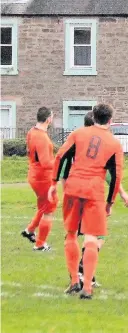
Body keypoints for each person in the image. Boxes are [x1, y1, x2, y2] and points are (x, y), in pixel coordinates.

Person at [49, 104, 124, 299]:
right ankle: (87, 288)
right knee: (91, 238)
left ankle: (74, 280)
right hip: (95, 192)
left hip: (73, 188)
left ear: (94, 117)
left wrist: (54, 182)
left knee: (71, 234)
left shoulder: (78, 133)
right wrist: (111, 201)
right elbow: (116, 176)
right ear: (110, 120)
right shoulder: (114, 143)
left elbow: (60, 156)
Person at [71, 112, 128, 288]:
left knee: (80, 236)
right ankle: (84, 272)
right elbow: (110, 174)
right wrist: (118, 196)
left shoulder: (78, 139)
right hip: (91, 194)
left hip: (74, 192)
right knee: (97, 235)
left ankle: (80, 275)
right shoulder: (102, 142)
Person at [21, 107, 57, 251]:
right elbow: (46, 163)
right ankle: (40, 244)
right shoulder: (41, 136)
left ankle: (29, 231)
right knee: (50, 208)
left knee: (44, 205)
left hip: (35, 174)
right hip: (42, 177)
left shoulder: (32, 131)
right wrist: (61, 162)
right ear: (48, 119)